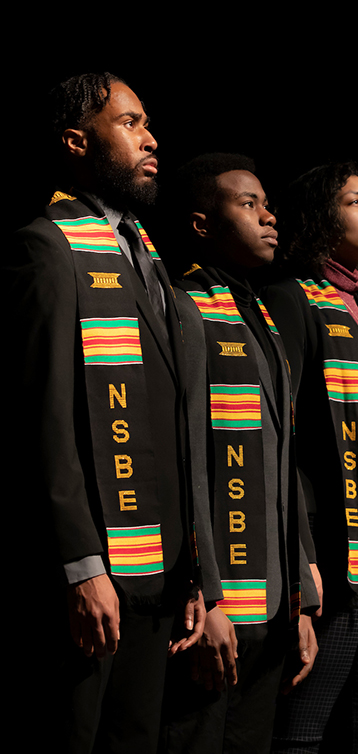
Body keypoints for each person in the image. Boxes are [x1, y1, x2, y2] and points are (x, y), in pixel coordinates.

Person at [4, 72, 213, 753]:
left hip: (157, 574)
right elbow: (45, 420)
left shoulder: (148, 258)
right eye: (130, 124)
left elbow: (178, 427)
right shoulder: (50, 247)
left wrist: (191, 569)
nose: (151, 139)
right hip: (92, 579)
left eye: (148, 123)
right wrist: (80, 565)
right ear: (75, 141)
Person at [158, 153, 321, 752]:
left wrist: (302, 593)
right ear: (202, 224)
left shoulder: (262, 318)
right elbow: (186, 461)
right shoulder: (185, 307)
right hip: (221, 605)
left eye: (267, 204)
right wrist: (210, 595)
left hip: (276, 601)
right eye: (247, 204)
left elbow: (283, 460)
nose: (267, 215)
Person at [260, 162, 358, 753]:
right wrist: (302, 565)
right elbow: (278, 440)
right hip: (330, 552)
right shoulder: (291, 299)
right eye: (356, 202)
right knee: (300, 735)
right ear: (320, 221)